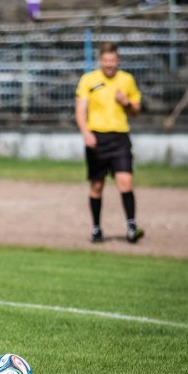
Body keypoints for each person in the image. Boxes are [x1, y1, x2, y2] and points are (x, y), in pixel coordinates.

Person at [75, 42, 145, 244]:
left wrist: (126, 102)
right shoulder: (89, 80)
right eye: (106, 60)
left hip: (120, 138)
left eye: (113, 60)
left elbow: (136, 111)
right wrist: (86, 132)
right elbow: (80, 110)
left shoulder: (127, 80)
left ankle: (132, 227)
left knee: (126, 182)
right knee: (97, 186)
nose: (109, 64)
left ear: (118, 60)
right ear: (100, 60)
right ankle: (97, 228)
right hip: (97, 138)